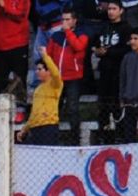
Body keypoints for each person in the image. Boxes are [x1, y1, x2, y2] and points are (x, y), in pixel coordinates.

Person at [92, 0, 130, 144]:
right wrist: (97, 50)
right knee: (103, 107)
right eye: (109, 9)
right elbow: (94, 45)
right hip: (104, 73)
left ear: (121, 10)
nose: (110, 11)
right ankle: (104, 137)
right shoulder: (103, 27)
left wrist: (107, 52)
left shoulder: (126, 28)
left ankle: (121, 137)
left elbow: (126, 50)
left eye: (114, 9)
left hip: (119, 73)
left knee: (117, 107)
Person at [47, 9, 86, 145]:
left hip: (73, 78)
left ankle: (75, 139)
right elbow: (49, 55)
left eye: (68, 19)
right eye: (63, 19)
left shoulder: (81, 34)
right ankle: (53, 138)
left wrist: (68, 32)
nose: (64, 22)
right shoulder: (55, 36)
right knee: (54, 108)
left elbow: (78, 46)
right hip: (57, 78)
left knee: (72, 108)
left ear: (74, 20)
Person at [16, 47, 62, 145]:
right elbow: (34, 113)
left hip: (48, 126)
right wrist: (24, 129)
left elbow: (56, 74)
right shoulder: (38, 89)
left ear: (48, 71)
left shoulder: (55, 84)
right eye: (37, 69)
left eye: (40, 69)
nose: (37, 71)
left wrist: (45, 56)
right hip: (35, 128)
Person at [0, 0, 29, 94]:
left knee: (19, 80)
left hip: (18, 44)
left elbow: (20, 16)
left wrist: (4, 6)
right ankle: (1, 106)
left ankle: (20, 107)